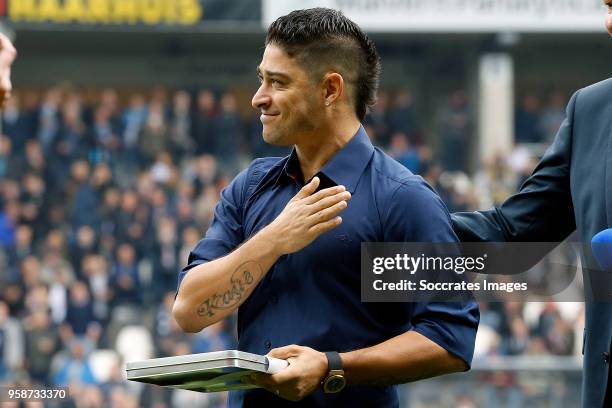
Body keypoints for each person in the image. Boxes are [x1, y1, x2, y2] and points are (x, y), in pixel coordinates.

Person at [173, 8, 479, 407]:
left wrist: (331, 366)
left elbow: (448, 341)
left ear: (330, 90)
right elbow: (188, 312)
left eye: (277, 82)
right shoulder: (249, 188)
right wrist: (274, 240)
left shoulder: (403, 199)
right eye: (261, 79)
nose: (257, 98)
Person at [452, 2, 612, 406]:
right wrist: (400, 212)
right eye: (609, 6)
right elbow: (514, 233)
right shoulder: (591, 109)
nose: (609, 22)